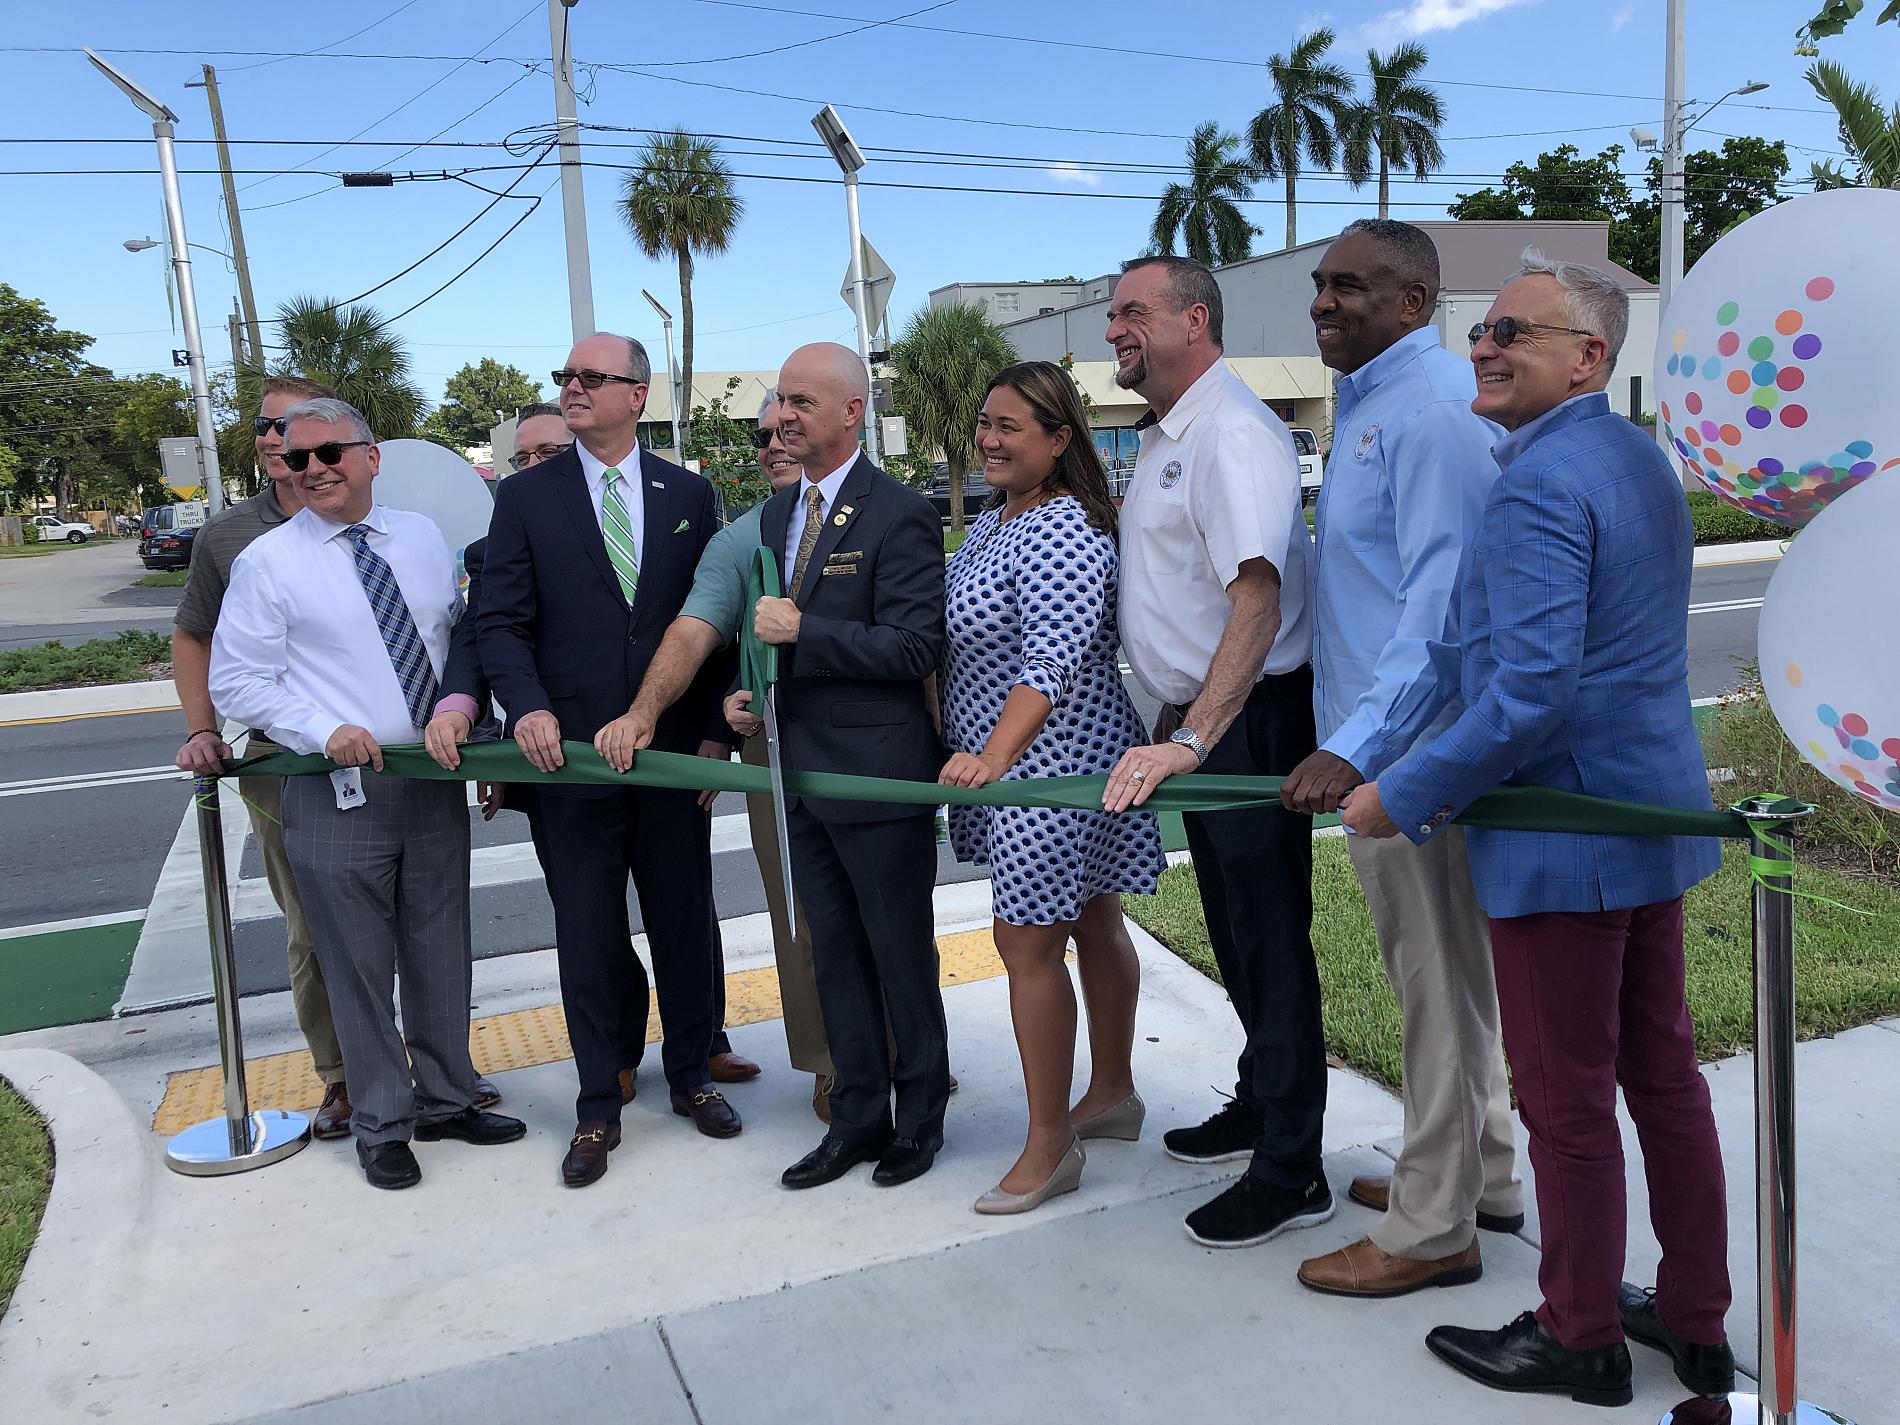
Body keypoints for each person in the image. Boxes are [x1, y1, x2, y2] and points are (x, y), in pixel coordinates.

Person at [1342, 249, 1735, 1407]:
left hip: (1565, 846)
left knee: (1566, 1102)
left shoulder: (1535, 483)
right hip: (1646, 820)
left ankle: (1579, 1337)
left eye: (1515, 331)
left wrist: (1397, 791)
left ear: (1589, 357)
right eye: (1483, 330)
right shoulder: (1633, 458)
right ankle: (1695, 1319)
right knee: (1663, 1079)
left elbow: (1525, 694)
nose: (1486, 346)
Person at [1283, 220, 1524, 1299]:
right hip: (1392, 749)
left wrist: (1355, 746)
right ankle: (1481, 1170)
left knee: (1434, 982)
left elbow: (1441, 610)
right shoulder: (1377, 404)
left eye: (1352, 287)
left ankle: (1435, 1226)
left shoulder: (1426, 414)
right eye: (1320, 286)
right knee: (1443, 978)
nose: (1325, 303)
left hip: (1412, 758)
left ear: (1416, 303)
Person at [173, 375, 505, 1136]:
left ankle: (450, 1099)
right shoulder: (267, 562)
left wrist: (480, 733)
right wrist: (323, 728)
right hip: (334, 789)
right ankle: (383, 1122)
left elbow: (458, 644)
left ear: (372, 457)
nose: (312, 467)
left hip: (429, 779)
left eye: (330, 452)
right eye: (295, 458)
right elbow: (237, 679)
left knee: (440, 949)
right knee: (352, 966)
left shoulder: (419, 537)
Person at [1099, 255, 1328, 1250]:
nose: (1114, 329)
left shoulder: (1230, 433)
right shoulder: (1171, 435)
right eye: (1112, 314)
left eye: (1133, 313)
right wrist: (1175, 714)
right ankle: (1259, 1098)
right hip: (1206, 720)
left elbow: (1257, 597)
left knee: (1267, 940)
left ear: (1196, 320)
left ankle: (1292, 1167)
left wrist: (1197, 731)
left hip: (1245, 722)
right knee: (1237, 934)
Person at [478, 334, 739, 1189]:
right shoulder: (525, 497)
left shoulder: (689, 492)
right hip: (571, 765)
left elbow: (713, 620)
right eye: (566, 376)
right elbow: (500, 624)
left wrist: (712, 738)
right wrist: (529, 707)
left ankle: (694, 1072)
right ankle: (599, 1100)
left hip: (670, 760)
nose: (573, 387)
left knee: (683, 920)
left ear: (638, 391)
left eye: (591, 377)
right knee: (587, 932)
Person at [937, 361, 1164, 1216]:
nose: (990, 440)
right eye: (985, 424)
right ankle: (1110, 1091)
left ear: (1060, 439)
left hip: (1055, 767)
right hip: (1037, 766)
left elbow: (1051, 661)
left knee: (1026, 946)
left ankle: (1050, 1143)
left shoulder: (1064, 526)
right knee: (1095, 920)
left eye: (1011, 428)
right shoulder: (1000, 521)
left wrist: (994, 757)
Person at [727, 342, 949, 1191]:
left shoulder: (899, 512)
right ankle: (857, 1115)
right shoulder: (782, 513)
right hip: (799, 772)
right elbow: (776, 635)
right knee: (833, 956)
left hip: (875, 774)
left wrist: (802, 634)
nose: (783, 417)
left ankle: (919, 1118)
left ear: (852, 412)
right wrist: (756, 692)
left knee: (899, 951)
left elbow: (915, 645)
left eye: (801, 403)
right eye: (781, 401)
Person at [599, 389, 846, 1118]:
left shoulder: (880, 511)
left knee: (887, 906)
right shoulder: (740, 539)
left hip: (875, 744)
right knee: (800, 910)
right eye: (762, 433)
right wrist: (654, 710)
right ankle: (832, 1061)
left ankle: (906, 1044)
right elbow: (700, 627)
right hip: (776, 747)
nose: (773, 443)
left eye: (784, 428)